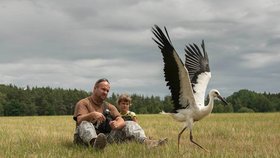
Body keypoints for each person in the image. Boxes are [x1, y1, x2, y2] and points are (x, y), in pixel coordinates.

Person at [73, 78, 167, 150]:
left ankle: (147, 142)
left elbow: (121, 119)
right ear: (95, 88)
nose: (105, 92)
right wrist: (92, 114)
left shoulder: (109, 106)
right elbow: (79, 120)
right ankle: (94, 143)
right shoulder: (83, 103)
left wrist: (117, 124)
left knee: (129, 122)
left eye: (107, 91)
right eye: (103, 89)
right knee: (85, 123)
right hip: (83, 140)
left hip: (104, 139)